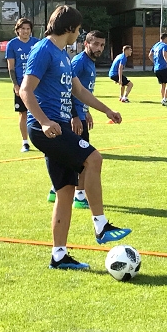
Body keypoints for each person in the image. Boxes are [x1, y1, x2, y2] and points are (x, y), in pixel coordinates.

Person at [20, 5, 131, 270]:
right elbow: (26, 90)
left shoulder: (62, 54)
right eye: (79, 29)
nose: (79, 35)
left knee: (65, 192)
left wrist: (107, 110)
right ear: (69, 28)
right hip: (46, 128)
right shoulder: (43, 50)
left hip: (59, 127)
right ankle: (101, 226)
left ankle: (59, 255)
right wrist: (45, 122)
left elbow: (79, 90)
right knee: (94, 159)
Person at [46, 30, 106, 208]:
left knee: (67, 158)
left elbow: (83, 90)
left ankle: (53, 190)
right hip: (73, 117)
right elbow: (69, 89)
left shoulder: (90, 62)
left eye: (102, 45)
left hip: (80, 114)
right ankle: (79, 196)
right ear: (86, 44)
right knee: (84, 160)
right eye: (95, 44)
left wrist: (86, 110)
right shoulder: (79, 62)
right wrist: (75, 116)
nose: (99, 48)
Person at [5, 18, 39, 153]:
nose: (26, 31)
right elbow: (11, 68)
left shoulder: (37, 43)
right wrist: (15, 85)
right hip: (22, 85)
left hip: (37, 84)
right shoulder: (12, 45)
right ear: (18, 30)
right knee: (23, 114)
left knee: (42, 112)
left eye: (28, 29)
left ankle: (45, 141)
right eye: (23, 29)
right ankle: (25, 142)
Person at [148, 33, 167, 107]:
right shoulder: (164, 45)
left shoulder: (156, 45)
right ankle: (165, 99)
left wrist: (155, 62)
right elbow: (164, 54)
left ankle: (163, 99)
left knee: (163, 84)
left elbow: (150, 55)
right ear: (165, 38)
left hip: (156, 69)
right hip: (163, 68)